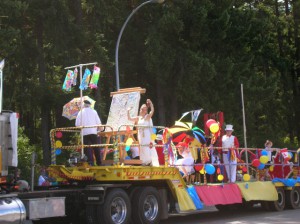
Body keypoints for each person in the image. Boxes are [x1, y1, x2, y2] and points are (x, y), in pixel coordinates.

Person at [127, 99, 159, 166]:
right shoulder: (138, 118)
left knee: (147, 147)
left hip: (147, 134)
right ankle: (144, 162)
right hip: (140, 135)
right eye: (142, 109)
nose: (144, 110)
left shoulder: (147, 117)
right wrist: (128, 110)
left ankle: (150, 161)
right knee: (142, 148)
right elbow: (129, 118)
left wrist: (151, 103)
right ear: (140, 109)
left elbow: (152, 111)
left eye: (145, 109)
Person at [75, 99, 103, 166]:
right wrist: (99, 129)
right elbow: (99, 123)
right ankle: (99, 163)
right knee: (96, 148)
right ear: (90, 105)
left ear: (83, 105)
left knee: (86, 149)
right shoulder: (94, 111)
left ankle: (90, 163)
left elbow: (77, 124)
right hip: (93, 132)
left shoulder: (80, 113)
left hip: (84, 132)